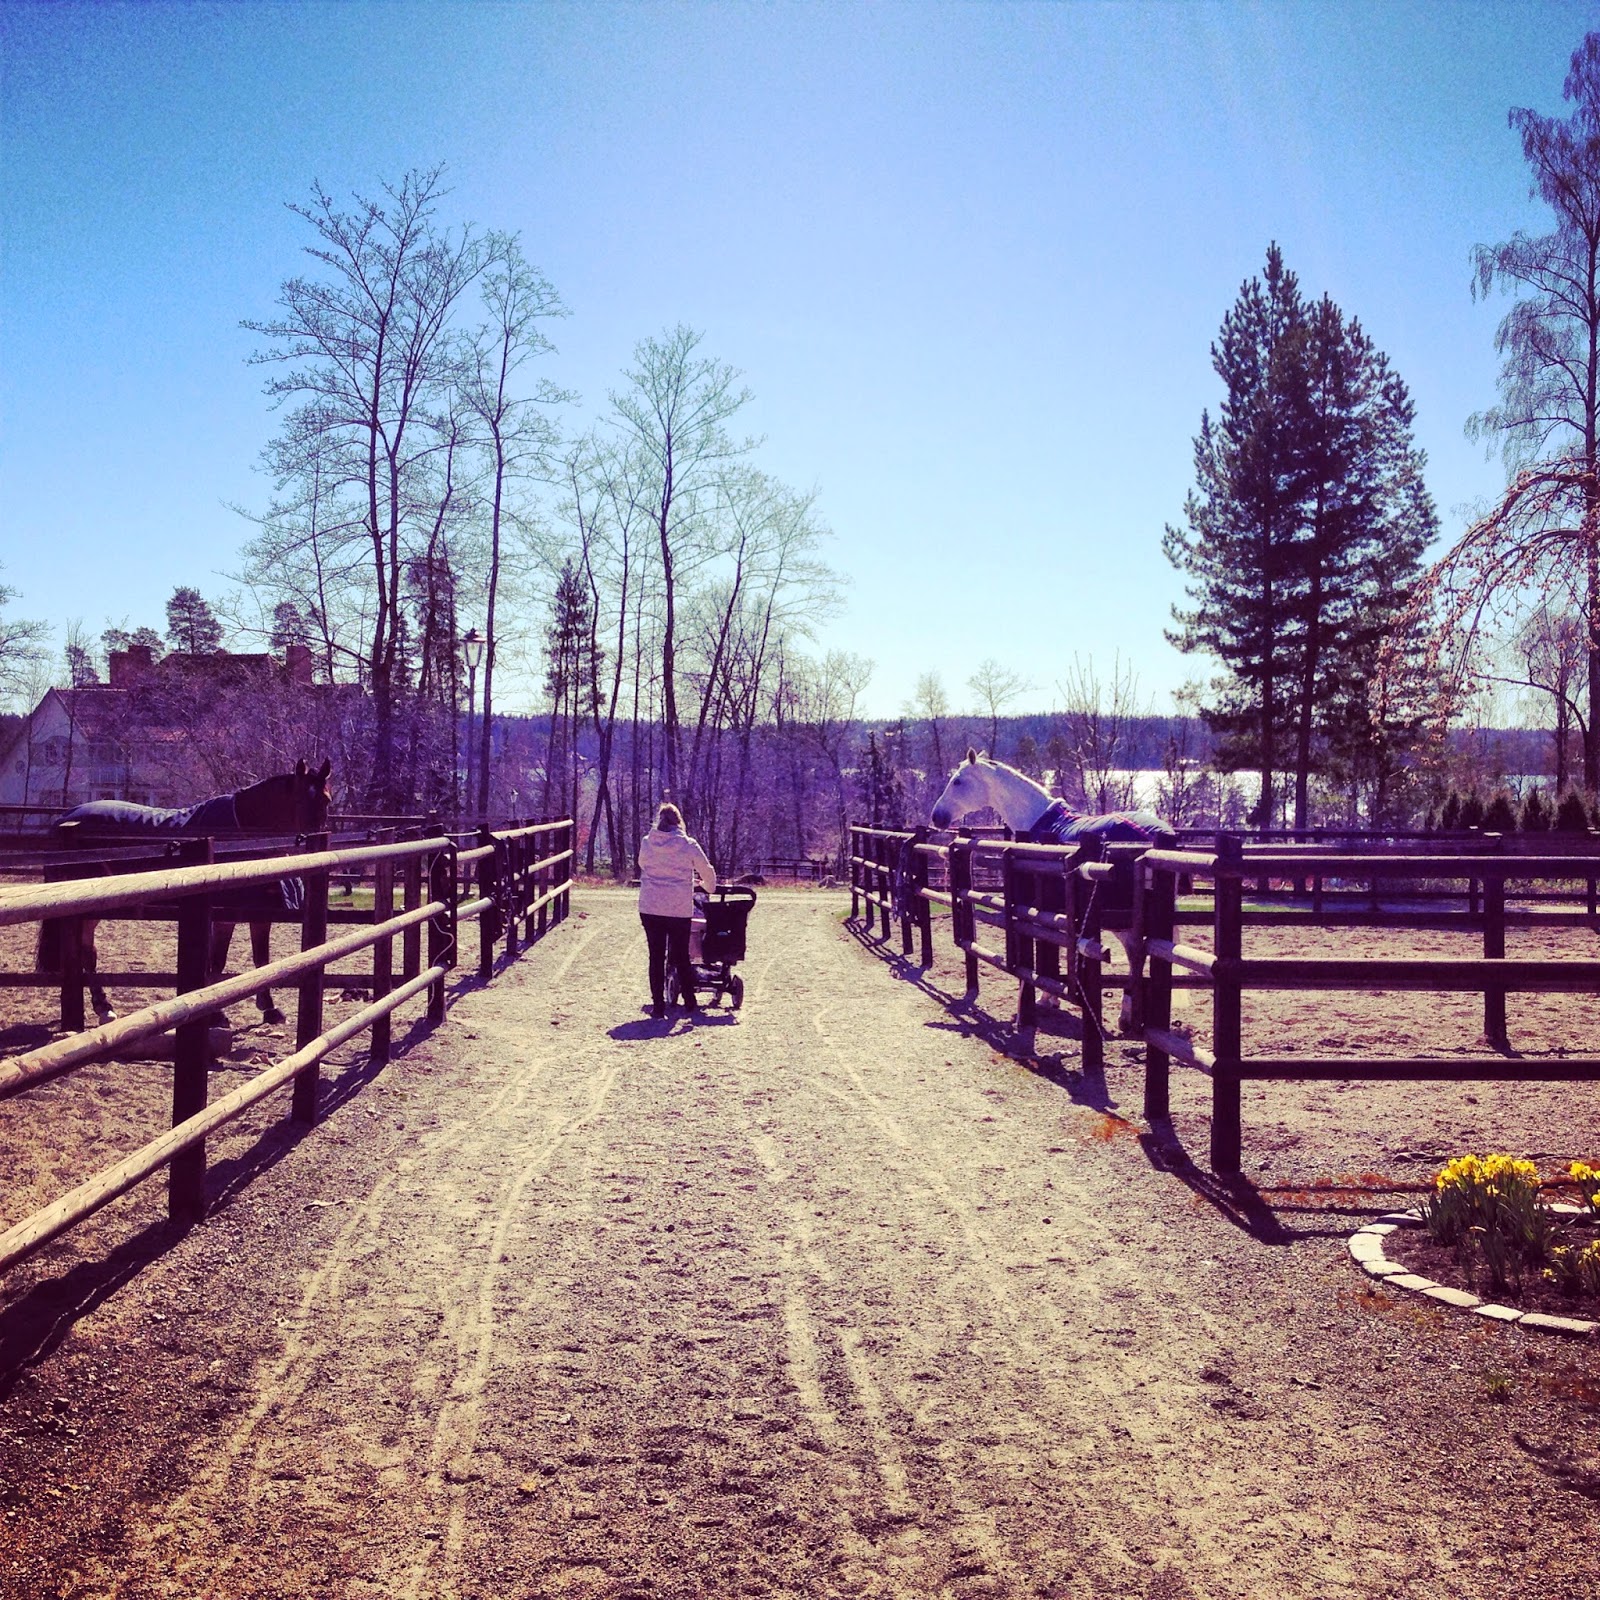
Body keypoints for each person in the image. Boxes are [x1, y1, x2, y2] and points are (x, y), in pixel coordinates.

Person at [638, 802, 716, 1018]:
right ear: (679, 821)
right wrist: (707, 887)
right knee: (681, 954)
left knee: (656, 955)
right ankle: (689, 1001)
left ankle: (658, 1006)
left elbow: (643, 864)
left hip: (651, 906)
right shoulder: (688, 845)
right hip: (678, 908)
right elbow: (707, 871)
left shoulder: (647, 842)